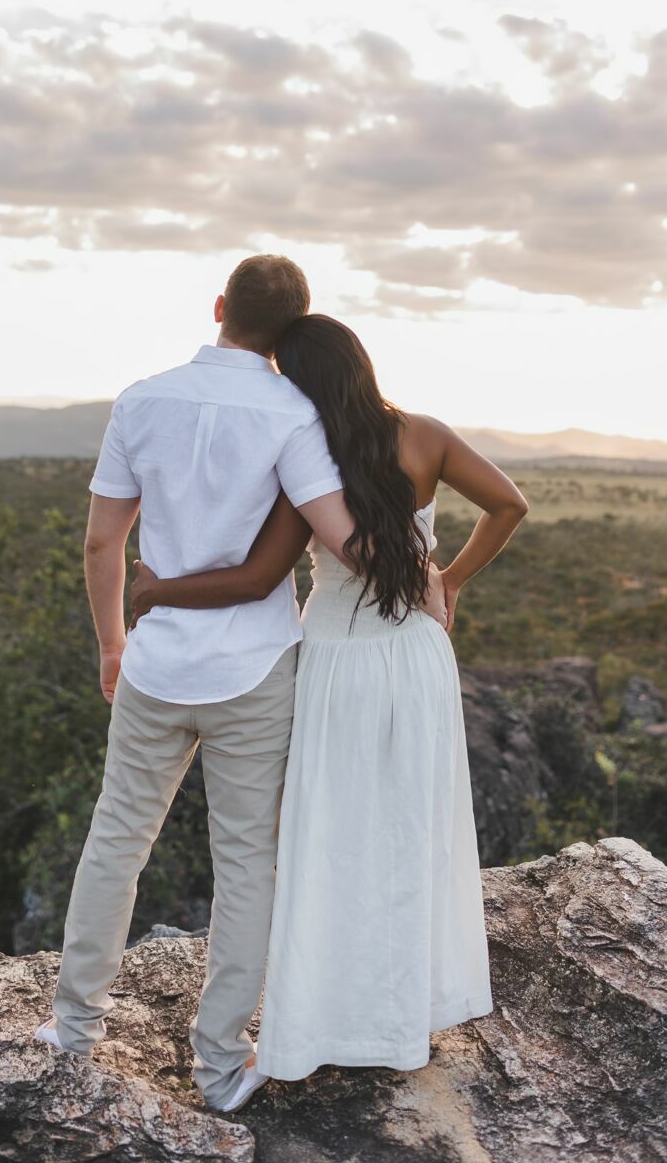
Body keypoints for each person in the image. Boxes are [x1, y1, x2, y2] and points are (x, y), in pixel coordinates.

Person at [33, 258, 443, 1114]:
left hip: (156, 662)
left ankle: (73, 1027)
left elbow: (104, 545)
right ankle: (220, 1066)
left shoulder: (141, 399)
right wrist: (423, 576)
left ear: (219, 308)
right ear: (294, 328)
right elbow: (339, 536)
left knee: (117, 839)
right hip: (256, 672)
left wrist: (113, 644)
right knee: (248, 863)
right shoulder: (295, 414)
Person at [130, 313, 529, 1087]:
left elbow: (254, 579)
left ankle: (329, 1021)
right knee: (411, 831)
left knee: (330, 841)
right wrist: (449, 580)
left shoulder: (308, 461)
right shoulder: (427, 435)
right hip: (416, 655)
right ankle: (404, 1015)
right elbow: (509, 504)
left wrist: (156, 590)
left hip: (338, 658)